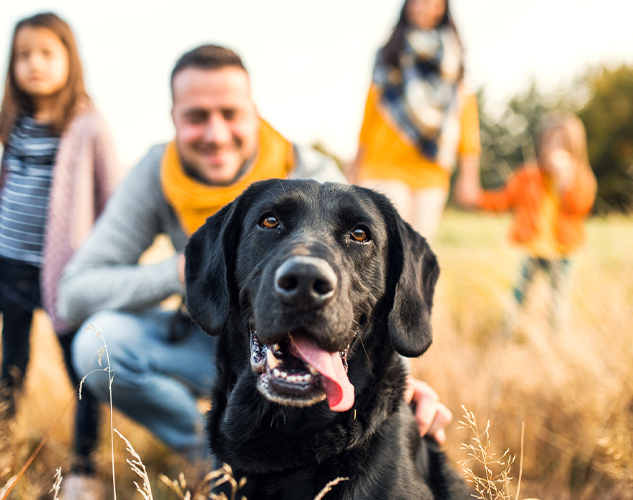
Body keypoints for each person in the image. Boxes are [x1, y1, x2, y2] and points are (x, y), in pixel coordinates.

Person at [57, 44, 454, 471]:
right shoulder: (157, 173)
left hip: (306, 339)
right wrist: (186, 272)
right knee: (98, 345)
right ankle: (219, 461)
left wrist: (405, 384)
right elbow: (74, 294)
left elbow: (366, 287)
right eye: (196, 117)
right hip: (209, 335)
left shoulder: (315, 176)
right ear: (173, 119)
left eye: (230, 113)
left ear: (254, 112)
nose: (215, 134)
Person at [0, 12, 121, 497]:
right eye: (24, 56)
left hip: (68, 276)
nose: (34, 64)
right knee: (11, 365)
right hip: (10, 264)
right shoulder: (15, 123)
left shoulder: (87, 124)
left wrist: (105, 265)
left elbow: (115, 200)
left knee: (82, 367)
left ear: (69, 59)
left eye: (46, 53)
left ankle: (84, 467)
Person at [346, 0, 481, 240]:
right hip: (385, 164)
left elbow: (466, 116)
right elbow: (370, 111)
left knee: (417, 250)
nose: (424, 6)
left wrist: (469, 176)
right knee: (388, 243)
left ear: (443, 7)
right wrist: (356, 163)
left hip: (432, 168)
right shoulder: (389, 52)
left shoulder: (454, 59)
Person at [470, 114, 597, 331]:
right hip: (534, 248)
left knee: (558, 298)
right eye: (550, 142)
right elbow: (504, 199)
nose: (555, 148)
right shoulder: (528, 176)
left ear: (575, 147)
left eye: (562, 143)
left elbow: (581, 207)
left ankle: (557, 335)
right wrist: (477, 200)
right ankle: (507, 331)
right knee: (520, 293)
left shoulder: (580, 177)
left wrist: (565, 182)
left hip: (563, 251)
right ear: (541, 145)